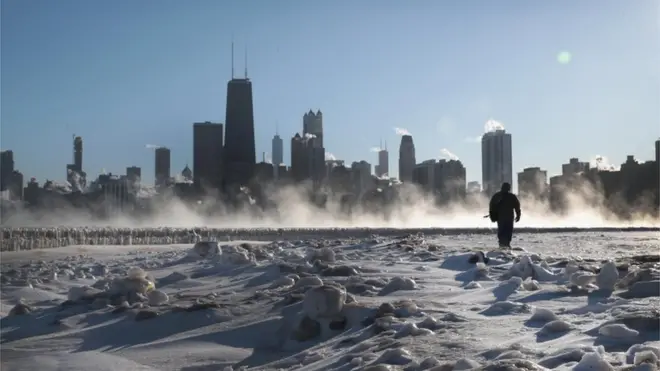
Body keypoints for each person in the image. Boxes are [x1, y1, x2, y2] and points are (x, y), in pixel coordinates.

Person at [489, 182, 521, 248]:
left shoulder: (498, 195)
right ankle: (504, 244)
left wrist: (492, 216)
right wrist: (518, 215)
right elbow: (517, 207)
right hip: (506, 217)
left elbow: (492, 207)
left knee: (504, 230)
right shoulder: (511, 196)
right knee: (506, 230)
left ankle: (504, 244)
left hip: (503, 217)